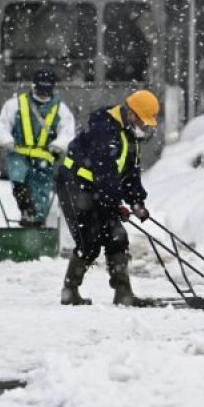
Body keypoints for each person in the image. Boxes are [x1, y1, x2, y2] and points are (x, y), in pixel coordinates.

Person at [55, 89, 160, 307]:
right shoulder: (104, 130)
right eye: (143, 122)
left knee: (117, 236)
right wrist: (116, 203)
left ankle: (123, 294)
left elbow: (130, 173)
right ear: (131, 114)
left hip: (98, 189)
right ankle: (70, 291)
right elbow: (105, 172)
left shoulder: (130, 137)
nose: (145, 127)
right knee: (89, 240)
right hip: (75, 186)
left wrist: (137, 202)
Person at [0, 67, 76, 227]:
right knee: (19, 177)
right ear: (34, 86)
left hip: (44, 156)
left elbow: (67, 130)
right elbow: (2, 124)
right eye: (40, 89)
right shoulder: (16, 104)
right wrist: (6, 140)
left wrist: (58, 145)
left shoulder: (60, 108)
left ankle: (37, 221)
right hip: (19, 152)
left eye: (46, 90)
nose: (43, 93)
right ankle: (27, 211)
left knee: (41, 191)